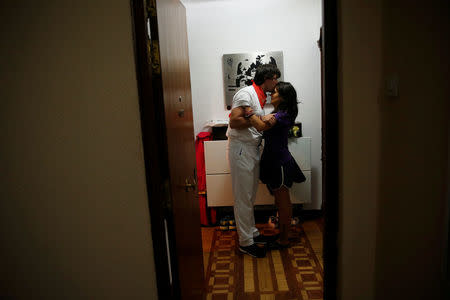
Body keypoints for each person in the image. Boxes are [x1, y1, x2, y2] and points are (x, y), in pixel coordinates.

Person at [227, 63, 281, 258]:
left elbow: (252, 119)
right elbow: (234, 121)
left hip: (251, 148)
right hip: (241, 149)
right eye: (274, 78)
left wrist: (258, 118)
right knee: (243, 197)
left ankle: (252, 233)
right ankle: (245, 242)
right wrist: (257, 120)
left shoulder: (258, 96)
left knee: (249, 196)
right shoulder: (245, 93)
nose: (276, 82)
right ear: (266, 78)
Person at [244, 81, 306, 248]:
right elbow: (264, 123)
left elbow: (261, 127)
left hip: (280, 163)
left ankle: (284, 239)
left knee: (283, 202)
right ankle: (282, 235)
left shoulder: (282, 115)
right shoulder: (279, 114)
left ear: (284, 97)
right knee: (280, 202)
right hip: (275, 162)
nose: (272, 94)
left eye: (276, 92)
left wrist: (248, 113)